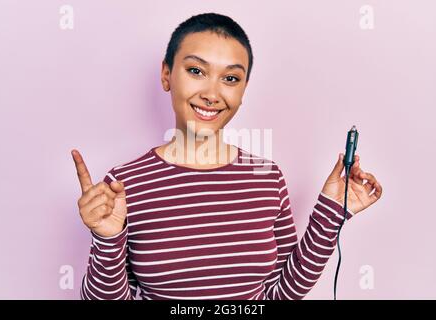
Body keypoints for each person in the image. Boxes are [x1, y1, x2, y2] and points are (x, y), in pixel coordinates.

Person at [71, 12, 382, 300]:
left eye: (230, 78)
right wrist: (108, 241)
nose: (212, 93)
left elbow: (281, 294)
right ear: (166, 75)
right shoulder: (124, 185)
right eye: (196, 71)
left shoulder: (267, 177)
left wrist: (331, 212)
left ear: (243, 90)